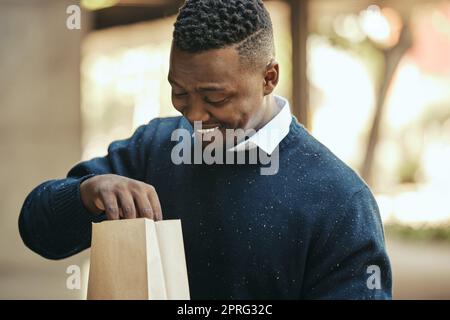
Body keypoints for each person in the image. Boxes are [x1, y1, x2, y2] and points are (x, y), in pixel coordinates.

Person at [19, 0, 392, 299]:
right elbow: (38, 231)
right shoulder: (152, 148)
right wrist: (87, 193)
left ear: (269, 78)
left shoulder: (340, 200)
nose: (195, 116)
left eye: (215, 96)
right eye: (180, 93)